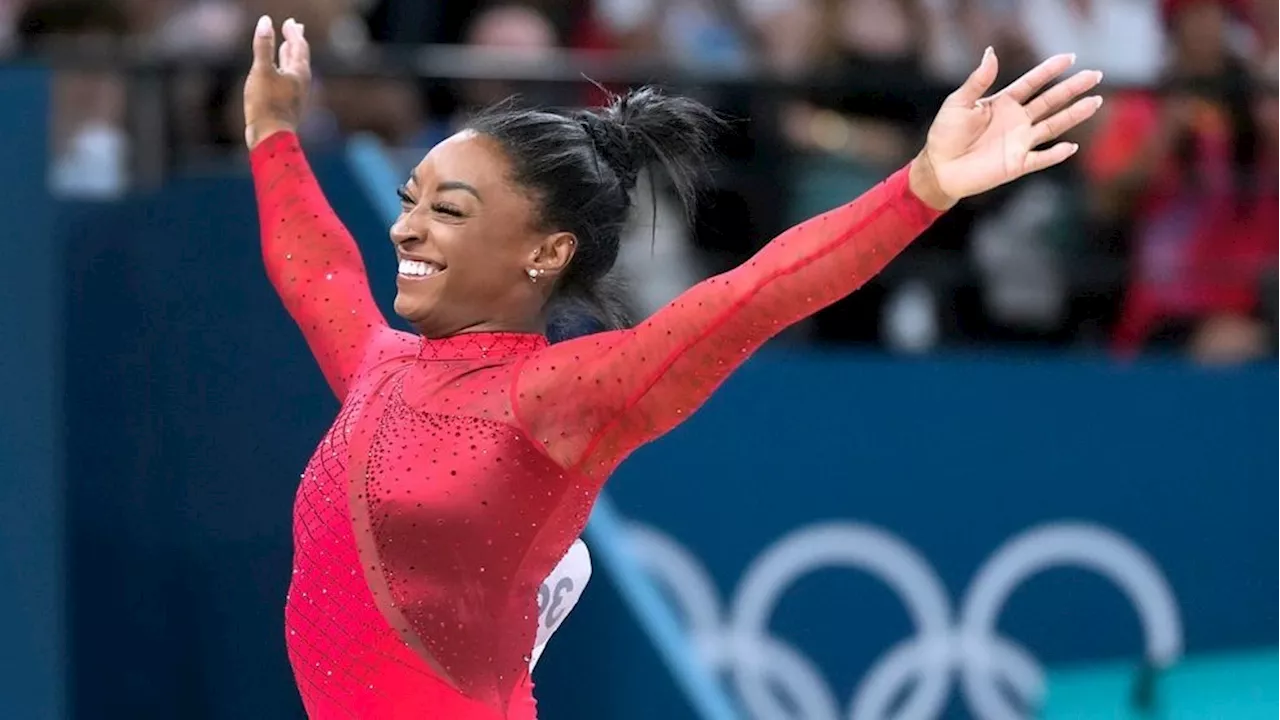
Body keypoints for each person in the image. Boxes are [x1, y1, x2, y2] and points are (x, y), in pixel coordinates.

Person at [244, 14, 1101, 720]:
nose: (405, 229)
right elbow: (316, 266)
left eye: (447, 210)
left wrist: (923, 186)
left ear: (545, 252)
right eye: (408, 202)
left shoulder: (557, 397)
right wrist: (274, 130)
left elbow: (753, 296)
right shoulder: (379, 364)